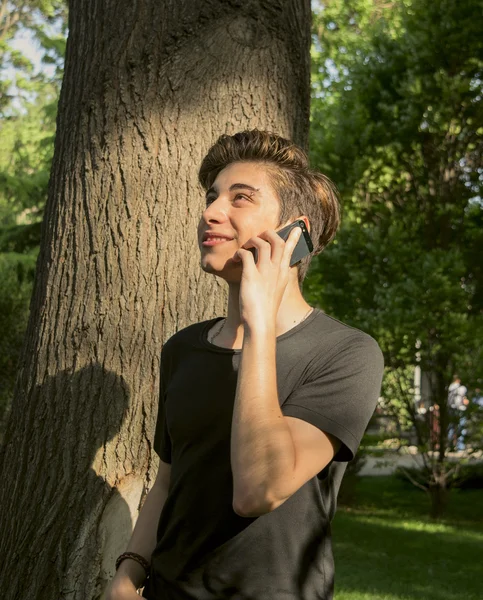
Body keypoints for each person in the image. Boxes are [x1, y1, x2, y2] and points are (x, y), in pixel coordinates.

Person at [106, 130, 384, 600]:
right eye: (212, 197)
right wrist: (128, 575)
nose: (210, 212)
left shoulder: (346, 353)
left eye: (241, 199)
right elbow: (170, 480)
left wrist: (259, 323)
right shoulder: (183, 349)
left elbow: (258, 491)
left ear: (294, 234)